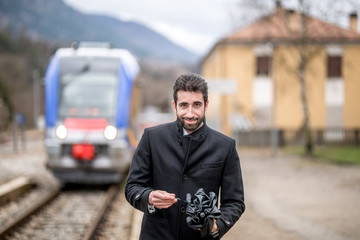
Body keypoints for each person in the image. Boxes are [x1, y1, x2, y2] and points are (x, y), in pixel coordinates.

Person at [125, 73, 245, 239]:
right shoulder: (151, 138)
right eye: (184, 105)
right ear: (174, 106)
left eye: (196, 105)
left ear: (206, 105)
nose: (190, 113)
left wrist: (217, 225)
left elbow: (234, 202)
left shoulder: (226, 146)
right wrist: (149, 196)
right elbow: (132, 187)